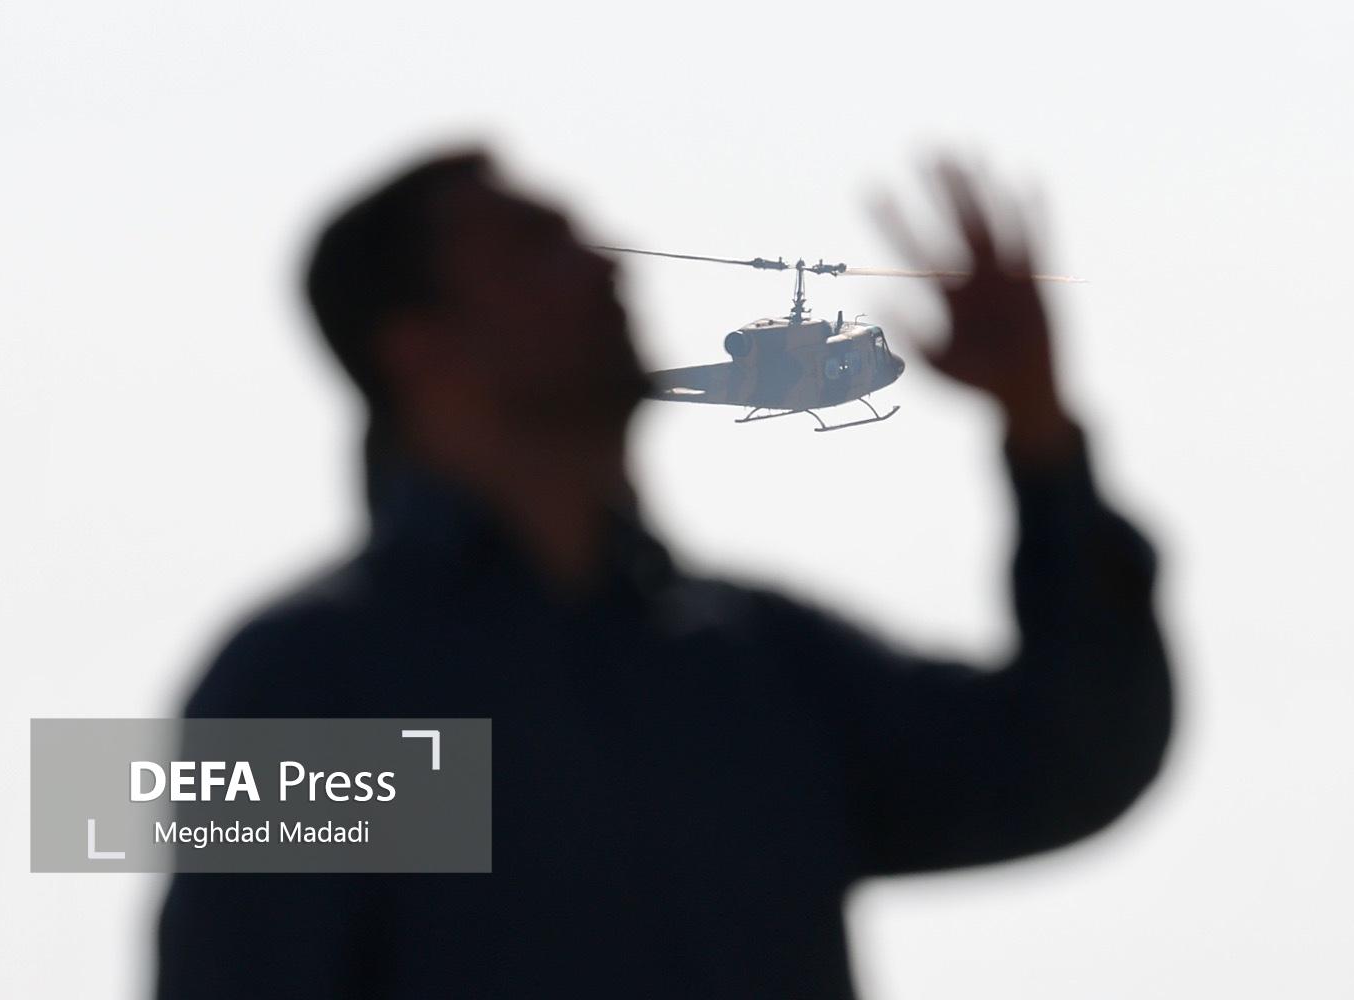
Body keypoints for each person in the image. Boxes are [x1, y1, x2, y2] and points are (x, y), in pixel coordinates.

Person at [156, 150, 1172, 998]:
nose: (601, 265)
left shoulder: (756, 668)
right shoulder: (311, 687)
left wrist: (1040, 431)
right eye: (535, 247)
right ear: (418, 347)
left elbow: (1065, 762)